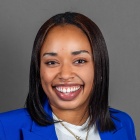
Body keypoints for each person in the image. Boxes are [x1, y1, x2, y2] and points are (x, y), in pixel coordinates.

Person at [0, 12, 136, 140]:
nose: (65, 74)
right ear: (38, 71)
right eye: (52, 62)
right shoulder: (4, 128)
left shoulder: (123, 123)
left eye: (80, 61)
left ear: (99, 68)